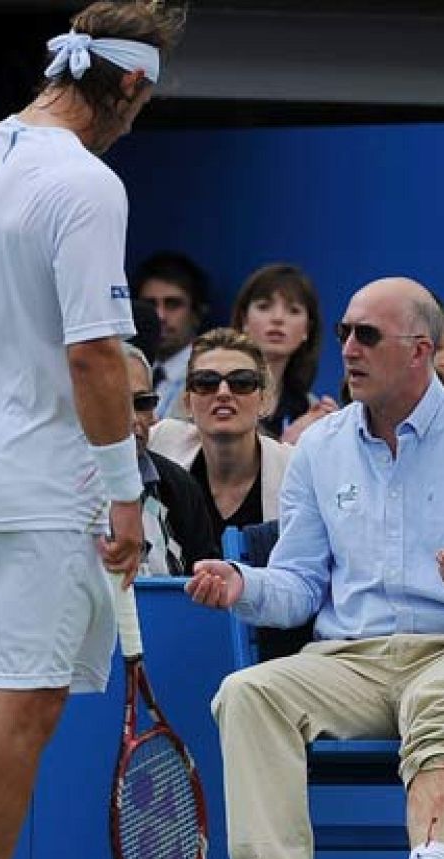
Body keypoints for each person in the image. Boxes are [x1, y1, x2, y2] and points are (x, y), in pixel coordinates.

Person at [186, 276, 444, 859]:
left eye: (368, 335)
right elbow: (300, 585)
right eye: (344, 333)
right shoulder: (319, 447)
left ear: (420, 350)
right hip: (347, 662)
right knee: (247, 693)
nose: (349, 348)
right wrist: (243, 584)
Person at [0, 4, 182, 859]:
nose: (136, 122)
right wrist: (124, 492)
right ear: (131, 83)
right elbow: (94, 354)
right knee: (27, 704)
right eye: (144, 104)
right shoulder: (86, 183)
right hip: (46, 482)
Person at [149, 327, 299, 653]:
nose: (223, 393)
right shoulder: (160, 445)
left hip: (270, 642)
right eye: (206, 382)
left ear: (265, 399)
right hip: (176, 634)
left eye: (241, 382)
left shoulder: (294, 469)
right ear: (187, 401)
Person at [119, 340, 219, 575]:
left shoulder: (179, 486)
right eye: (116, 404)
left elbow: (204, 582)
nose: (133, 419)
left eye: (143, 403)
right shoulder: (55, 487)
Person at [230, 262, 338, 443]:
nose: (278, 318)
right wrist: (287, 445)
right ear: (244, 321)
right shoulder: (209, 389)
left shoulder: (309, 408)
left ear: (307, 330)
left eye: (293, 310)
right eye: (264, 307)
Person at [133, 250, 211, 420]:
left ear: (197, 313)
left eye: (173, 304)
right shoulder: (124, 371)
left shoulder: (212, 375)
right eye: (150, 304)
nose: (159, 316)